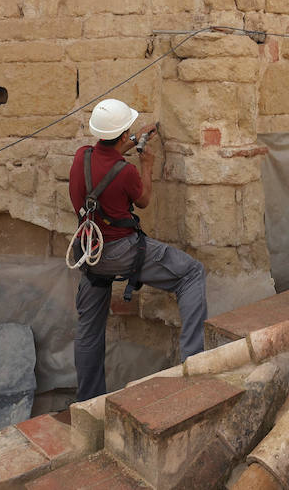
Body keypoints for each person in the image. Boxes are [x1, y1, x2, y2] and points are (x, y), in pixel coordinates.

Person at [69, 98, 206, 401]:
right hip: (122, 251)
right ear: (121, 133)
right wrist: (146, 163)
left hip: (90, 251)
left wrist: (132, 140)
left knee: (89, 331)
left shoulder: (81, 157)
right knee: (192, 274)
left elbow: (106, 154)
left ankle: (89, 401)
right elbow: (142, 199)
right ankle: (194, 365)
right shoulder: (125, 172)